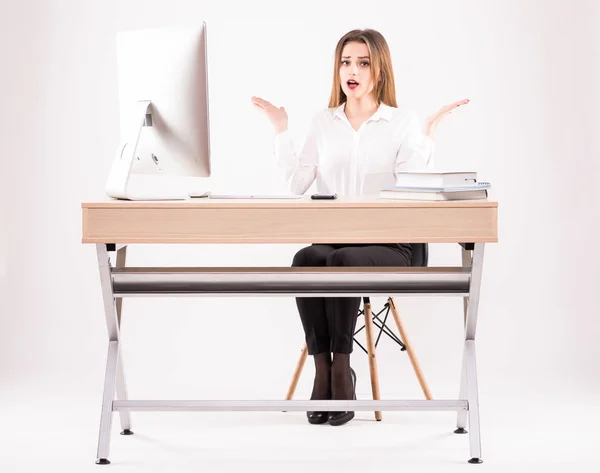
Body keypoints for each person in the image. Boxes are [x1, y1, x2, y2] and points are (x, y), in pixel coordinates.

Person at [252, 28, 468, 426]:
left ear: (380, 70)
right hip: (334, 240)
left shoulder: (401, 121)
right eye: (346, 62)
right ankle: (323, 369)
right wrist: (281, 129)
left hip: (392, 246)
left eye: (363, 62)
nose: (352, 70)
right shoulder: (323, 121)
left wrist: (429, 135)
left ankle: (342, 371)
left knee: (341, 262)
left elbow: (413, 188)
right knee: (306, 258)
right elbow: (296, 184)